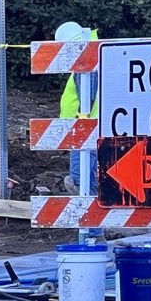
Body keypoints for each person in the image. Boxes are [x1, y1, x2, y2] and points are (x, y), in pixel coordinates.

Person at [56, 21, 98, 195]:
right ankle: (88, 200)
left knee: (81, 177)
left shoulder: (85, 61)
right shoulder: (92, 57)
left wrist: (81, 120)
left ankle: (80, 188)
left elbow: (88, 96)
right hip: (87, 124)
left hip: (83, 125)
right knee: (89, 176)